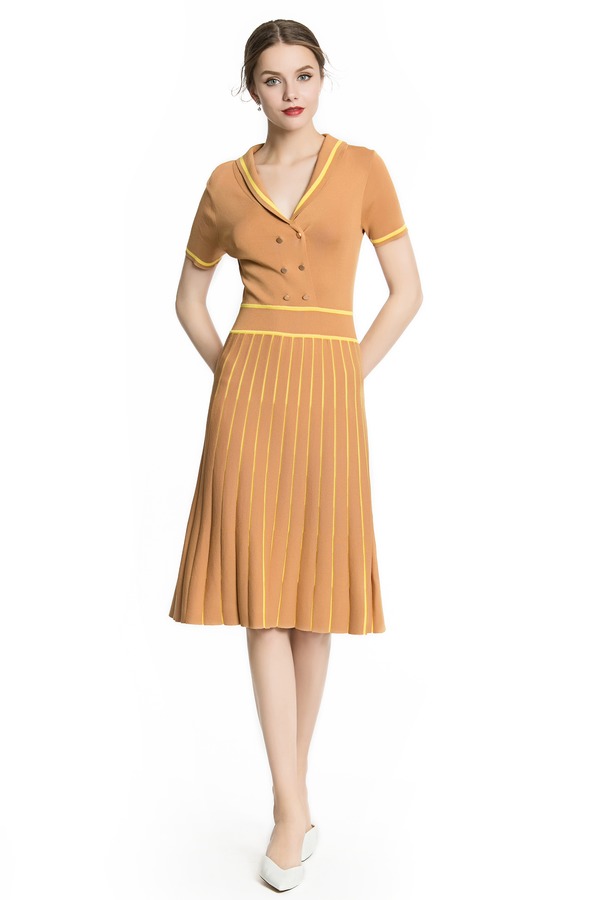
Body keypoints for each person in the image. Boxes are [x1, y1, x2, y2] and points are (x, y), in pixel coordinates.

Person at [168, 18, 423, 891]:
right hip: (249, 402)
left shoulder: (364, 169)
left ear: (322, 77)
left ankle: (292, 795)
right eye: (273, 79)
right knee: (263, 604)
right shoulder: (224, 183)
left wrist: (347, 373)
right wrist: (234, 374)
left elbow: (407, 292)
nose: (290, 92)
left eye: (304, 74)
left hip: (329, 399)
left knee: (314, 603)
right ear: (252, 88)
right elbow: (189, 299)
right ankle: (291, 809)